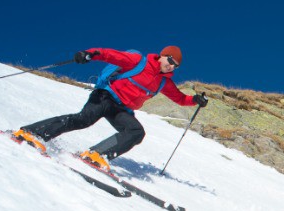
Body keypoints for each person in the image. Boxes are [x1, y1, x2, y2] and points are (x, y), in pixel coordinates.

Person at [12, 46, 208, 171]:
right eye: (170, 61)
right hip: (105, 96)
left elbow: (180, 98)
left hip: (121, 108)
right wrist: (90, 54)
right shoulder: (139, 62)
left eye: (176, 66)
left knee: (135, 132)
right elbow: (111, 55)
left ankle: (97, 155)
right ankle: (31, 133)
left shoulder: (164, 83)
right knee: (83, 120)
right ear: (162, 56)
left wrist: (195, 100)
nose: (172, 67)